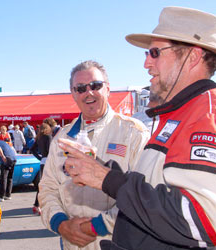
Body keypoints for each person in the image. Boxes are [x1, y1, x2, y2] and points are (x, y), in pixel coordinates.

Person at [60, 6, 216, 249]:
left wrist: (107, 179)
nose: (146, 64)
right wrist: (101, 169)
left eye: (154, 53)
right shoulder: (180, 111)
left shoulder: (206, 111)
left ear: (192, 57)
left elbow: (203, 222)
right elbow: (156, 187)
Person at [38, 60, 150, 250]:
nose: (88, 92)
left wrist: (96, 226)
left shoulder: (133, 133)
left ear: (107, 89)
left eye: (95, 85)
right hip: (72, 241)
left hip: (117, 241)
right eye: (80, 88)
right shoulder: (62, 138)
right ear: (73, 94)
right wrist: (61, 225)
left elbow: (144, 193)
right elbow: (48, 188)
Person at [31, 123, 53, 215]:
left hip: (43, 161)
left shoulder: (39, 138)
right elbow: (50, 150)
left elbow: (32, 149)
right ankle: (39, 204)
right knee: (51, 183)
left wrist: (40, 157)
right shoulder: (48, 137)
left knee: (43, 184)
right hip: (49, 161)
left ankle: (37, 204)